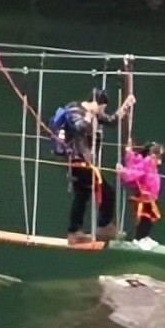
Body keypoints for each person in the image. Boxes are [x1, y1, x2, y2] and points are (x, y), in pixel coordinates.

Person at [55, 88, 133, 244]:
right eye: (101, 108)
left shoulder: (94, 113)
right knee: (107, 192)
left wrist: (125, 106)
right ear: (96, 102)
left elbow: (111, 120)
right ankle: (103, 227)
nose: (101, 112)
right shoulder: (74, 110)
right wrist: (90, 115)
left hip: (86, 162)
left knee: (82, 196)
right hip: (78, 160)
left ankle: (74, 232)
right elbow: (79, 128)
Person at [118, 140, 165, 250]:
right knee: (146, 218)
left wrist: (129, 153)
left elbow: (134, 161)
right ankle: (139, 238)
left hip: (151, 196)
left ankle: (145, 237)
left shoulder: (151, 164)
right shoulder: (147, 163)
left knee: (150, 218)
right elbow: (134, 172)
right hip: (144, 197)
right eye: (159, 155)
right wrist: (122, 171)